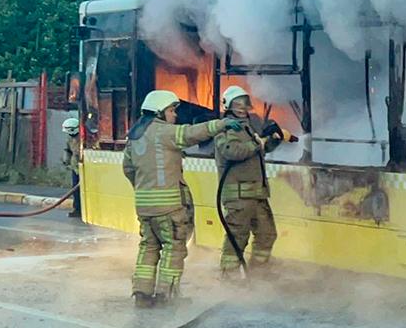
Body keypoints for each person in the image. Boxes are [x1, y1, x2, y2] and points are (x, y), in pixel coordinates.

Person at [122, 90, 239, 307]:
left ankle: (141, 294)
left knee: (148, 247)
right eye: (171, 110)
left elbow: (128, 169)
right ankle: (167, 296)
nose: (175, 115)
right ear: (159, 112)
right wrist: (223, 124)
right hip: (168, 207)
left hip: (144, 207)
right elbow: (193, 133)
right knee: (174, 248)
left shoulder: (135, 136)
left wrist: (144, 189)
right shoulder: (165, 132)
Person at [214, 86, 291, 276]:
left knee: (267, 235)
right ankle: (229, 277)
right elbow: (231, 151)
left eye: (244, 104)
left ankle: (258, 274)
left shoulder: (249, 126)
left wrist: (273, 140)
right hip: (238, 195)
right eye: (236, 104)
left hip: (256, 193)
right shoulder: (225, 127)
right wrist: (259, 142)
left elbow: (259, 150)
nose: (241, 108)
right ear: (228, 106)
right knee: (237, 237)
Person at [62, 116, 82, 219]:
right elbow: (68, 150)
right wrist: (67, 160)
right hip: (75, 167)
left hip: (84, 167)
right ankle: (77, 209)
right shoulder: (70, 138)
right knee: (75, 190)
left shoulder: (83, 137)